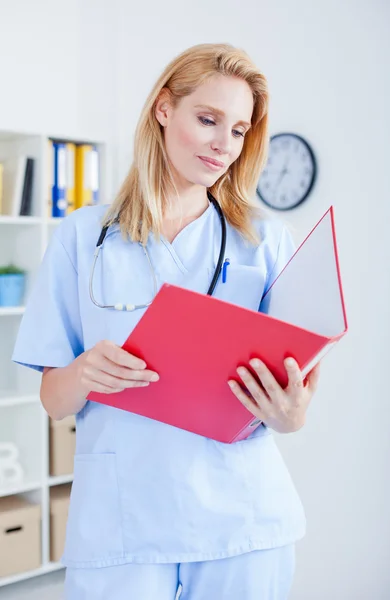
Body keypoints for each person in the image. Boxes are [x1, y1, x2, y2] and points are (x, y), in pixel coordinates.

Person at [12, 43, 320, 600]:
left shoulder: (266, 242)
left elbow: (292, 407)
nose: (224, 144)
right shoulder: (84, 237)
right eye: (208, 120)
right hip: (122, 523)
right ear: (162, 109)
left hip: (243, 524)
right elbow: (54, 400)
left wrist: (291, 413)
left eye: (239, 130)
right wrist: (83, 373)